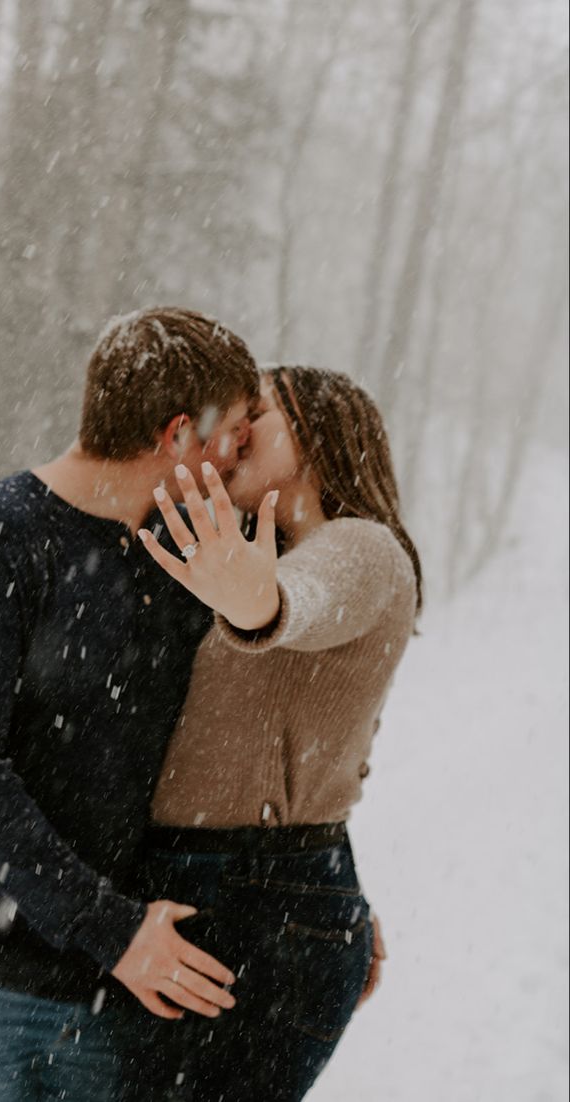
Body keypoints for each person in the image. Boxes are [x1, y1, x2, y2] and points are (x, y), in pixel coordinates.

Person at [0, 307, 261, 1102]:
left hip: (108, 986)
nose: (243, 456)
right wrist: (111, 930)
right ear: (179, 435)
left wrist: (325, 886)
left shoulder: (192, 555)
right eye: (237, 433)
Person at [120, 366, 422, 1101]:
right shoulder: (253, 561)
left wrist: (258, 602)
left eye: (261, 411)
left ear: (320, 436)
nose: (240, 427)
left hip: (259, 902)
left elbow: (298, 602)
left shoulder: (363, 549)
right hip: (242, 894)